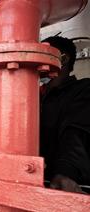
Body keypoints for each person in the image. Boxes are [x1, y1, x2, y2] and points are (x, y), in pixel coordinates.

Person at [40, 36, 90, 193]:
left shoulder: (83, 90)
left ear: (64, 58)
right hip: (35, 178)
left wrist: (67, 171)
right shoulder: (37, 95)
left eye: (43, 53)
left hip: (66, 183)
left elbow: (76, 133)